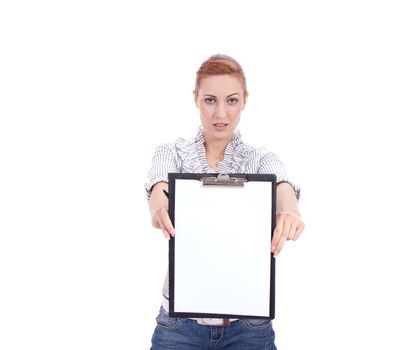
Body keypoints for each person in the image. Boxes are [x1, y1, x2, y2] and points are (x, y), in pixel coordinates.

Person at [145, 54, 305, 349]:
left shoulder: (260, 158)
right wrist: (159, 206)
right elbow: (159, 186)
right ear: (196, 98)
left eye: (231, 100)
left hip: (248, 327)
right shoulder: (173, 153)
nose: (220, 113)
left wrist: (290, 210)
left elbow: (282, 186)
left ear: (245, 100)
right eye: (210, 100)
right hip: (179, 326)